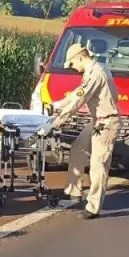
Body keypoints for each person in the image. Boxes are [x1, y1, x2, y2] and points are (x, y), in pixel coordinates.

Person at [37, 42, 120, 220]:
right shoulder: (95, 70)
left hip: (106, 123)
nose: (74, 69)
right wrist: (57, 104)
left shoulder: (96, 74)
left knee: (98, 165)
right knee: (77, 149)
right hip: (97, 121)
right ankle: (74, 191)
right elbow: (77, 93)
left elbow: (78, 102)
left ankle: (93, 207)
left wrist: (55, 123)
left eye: (73, 64)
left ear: (80, 57)